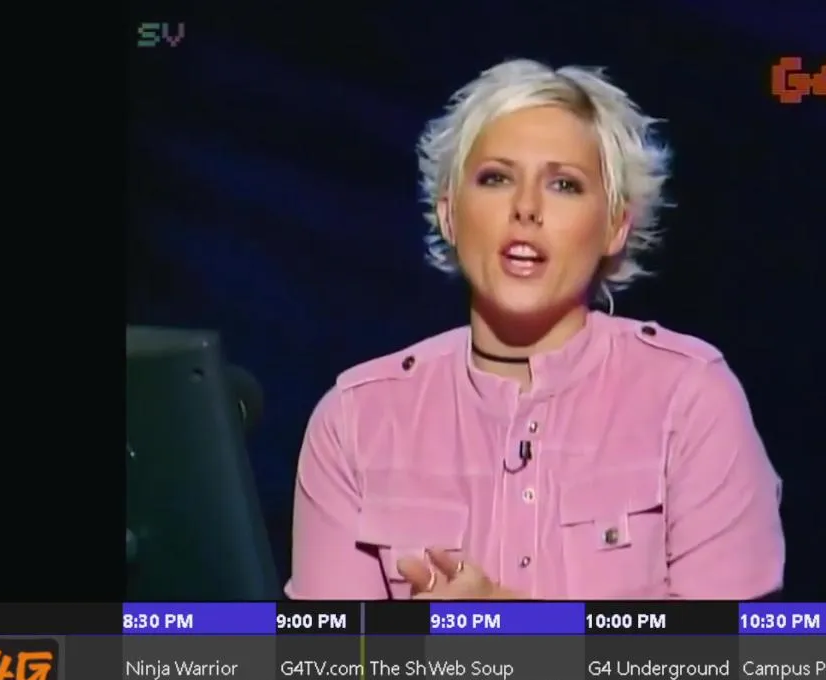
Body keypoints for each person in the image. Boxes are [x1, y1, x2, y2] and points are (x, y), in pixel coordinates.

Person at [287, 59, 784, 601]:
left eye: (564, 185)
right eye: (496, 179)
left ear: (615, 226)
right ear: (449, 215)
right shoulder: (355, 421)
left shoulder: (690, 399)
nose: (526, 208)